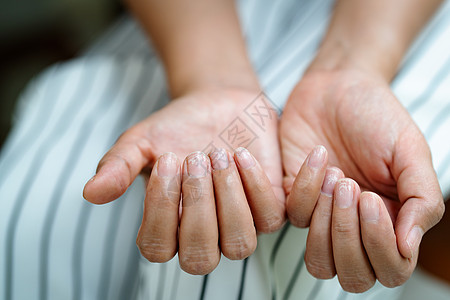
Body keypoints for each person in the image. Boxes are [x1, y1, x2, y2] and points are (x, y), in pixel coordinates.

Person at [1, 0, 449, 299]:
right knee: (29, 222)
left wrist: (350, 67)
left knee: (282, 246)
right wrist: (210, 77)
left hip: (395, 19)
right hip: (191, 20)